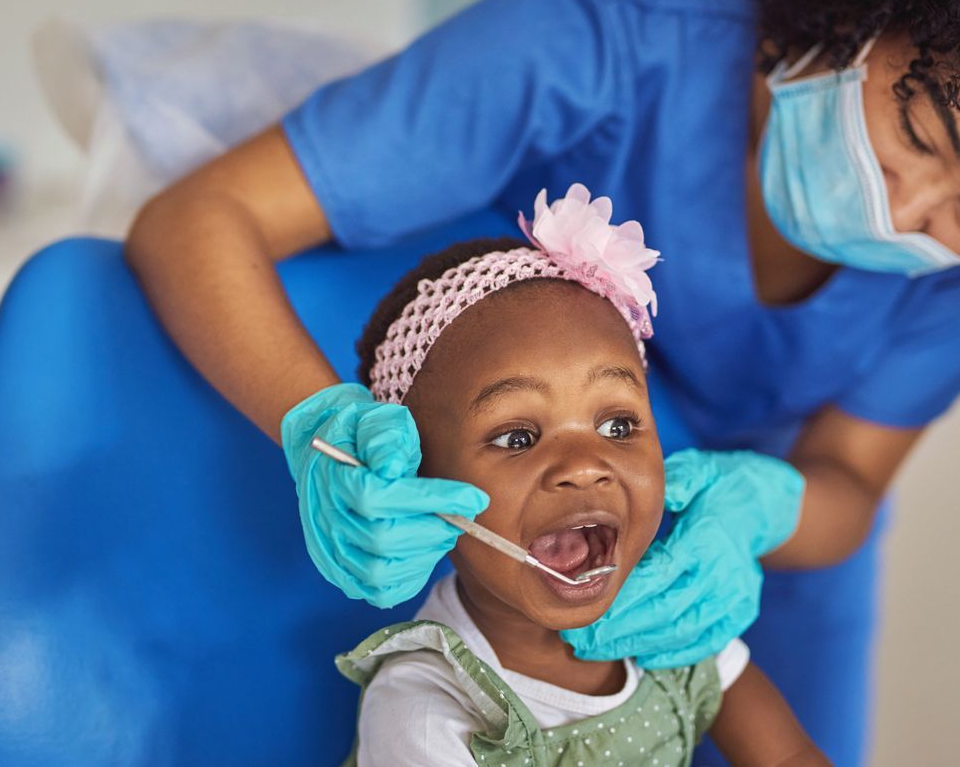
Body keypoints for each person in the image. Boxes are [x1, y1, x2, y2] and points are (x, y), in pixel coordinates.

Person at [124, 0, 960, 763]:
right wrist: (320, 427)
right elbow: (198, 222)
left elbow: (847, 476)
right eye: (920, 132)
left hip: (747, 572)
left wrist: (761, 511)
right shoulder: (603, 40)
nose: (910, 213)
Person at [321, 187, 823, 765]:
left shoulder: (677, 618)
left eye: (616, 425)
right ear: (419, 484)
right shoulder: (428, 709)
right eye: (517, 438)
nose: (585, 465)